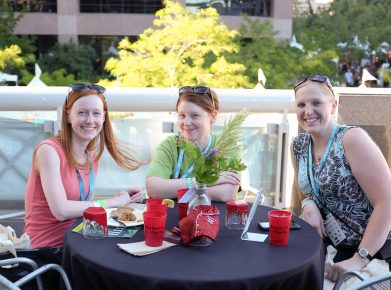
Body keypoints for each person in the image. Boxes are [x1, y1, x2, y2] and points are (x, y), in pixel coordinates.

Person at [291, 74, 391, 282]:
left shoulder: (351, 139)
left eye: (316, 103)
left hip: (381, 249)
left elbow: (388, 203)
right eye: (301, 104)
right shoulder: (298, 145)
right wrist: (308, 205)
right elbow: (304, 190)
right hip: (338, 246)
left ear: (334, 105)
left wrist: (359, 259)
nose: (308, 111)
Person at [25, 83, 144, 249]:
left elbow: (84, 206)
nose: (90, 120)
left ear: (103, 117)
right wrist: (112, 202)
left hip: (81, 240)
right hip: (49, 250)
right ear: (68, 116)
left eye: (96, 113)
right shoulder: (49, 151)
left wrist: (123, 200)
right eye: (81, 113)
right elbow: (61, 211)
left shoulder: (91, 157)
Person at [146, 86, 240, 202]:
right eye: (182, 115)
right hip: (176, 217)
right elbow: (153, 189)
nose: (186, 122)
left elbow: (226, 194)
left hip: (215, 217)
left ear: (213, 116)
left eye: (195, 115)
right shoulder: (170, 144)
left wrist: (173, 190)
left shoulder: (226, 145)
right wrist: (204, 182)